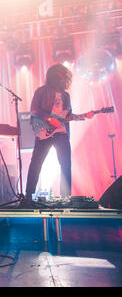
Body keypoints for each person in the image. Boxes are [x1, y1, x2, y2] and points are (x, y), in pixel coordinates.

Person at [25, 64, 94, 201]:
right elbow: (34, 110)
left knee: (66, 163)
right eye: (60, 76)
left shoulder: (66, 96)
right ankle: (28, 195)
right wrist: (50, 119)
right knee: (36, 163)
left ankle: (65, 196)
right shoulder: (41, 92)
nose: (62, 79)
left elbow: (67, 115)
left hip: (61, 133)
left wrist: (84, 116)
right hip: (45, 132)